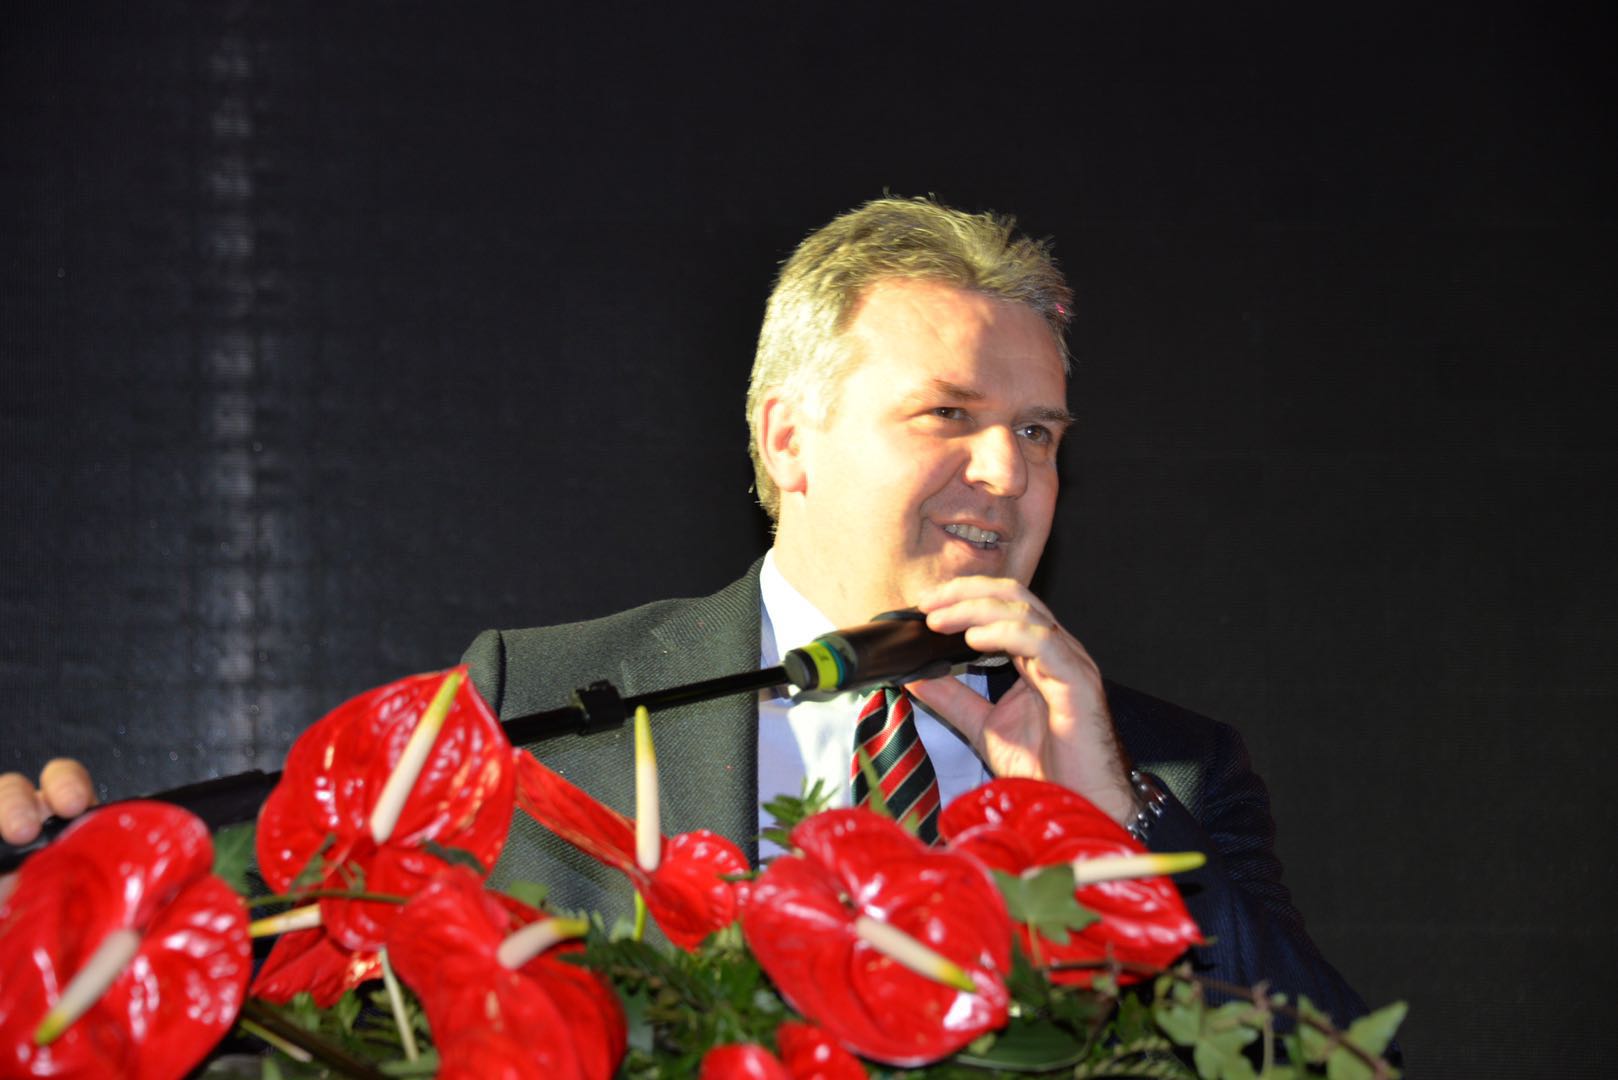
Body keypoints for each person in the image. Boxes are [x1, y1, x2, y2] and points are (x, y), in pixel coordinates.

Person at [1, 196, 1371, 1027]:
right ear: (789, 437)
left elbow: (1325, 1061)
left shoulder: (1170, 767)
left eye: (1039, 432)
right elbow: (275, 955)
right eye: (948, 415)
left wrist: (1108, 827)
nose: (1008, 475)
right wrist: (59, 884)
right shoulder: (543, 704)